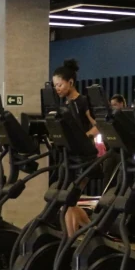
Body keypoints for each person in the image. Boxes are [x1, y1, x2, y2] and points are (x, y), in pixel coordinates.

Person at [52, 59, 100, 235]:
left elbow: (98, 125)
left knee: (69, 200)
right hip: (70, 157)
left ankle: (70, 239)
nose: (57, 89)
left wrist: (84, 137)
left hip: (85, 158)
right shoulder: (63, 106)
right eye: (55, 86)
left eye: (60, 85)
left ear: (70, 82)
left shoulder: (83, 101)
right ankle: (91, 230)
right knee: (69, 201)